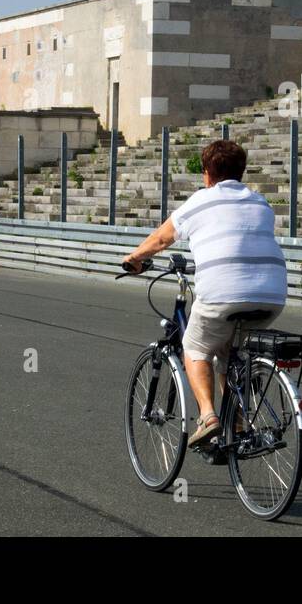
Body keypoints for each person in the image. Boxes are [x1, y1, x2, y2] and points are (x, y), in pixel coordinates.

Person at [122, 139, 287, 449]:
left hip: (223, 293)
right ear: (241, 171)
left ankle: (209, 417)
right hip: (272, 294)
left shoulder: (201, 200)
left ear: (208, 173)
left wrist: (134, 258)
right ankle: (236, 424)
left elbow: (161, 239)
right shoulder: (260, 202)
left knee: (195, 347)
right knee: (229, 354)